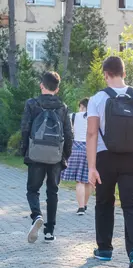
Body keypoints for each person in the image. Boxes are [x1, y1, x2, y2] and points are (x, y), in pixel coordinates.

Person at [86, 56, 133, 268]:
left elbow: (91, 134)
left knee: (104, 202)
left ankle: (104, 249)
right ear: (124, 73)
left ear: (105, 74)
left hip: (106, 157)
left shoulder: (98, 99)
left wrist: (92, 167)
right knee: (132, 206)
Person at [21, 71, 73, 243]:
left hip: (36, 154)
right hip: (55, 156)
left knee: (32, 190)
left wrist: (25, 151)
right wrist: (65, 155)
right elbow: (68, 133)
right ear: (57, 89)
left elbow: (25, 129)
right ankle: (49, 232)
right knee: (53, 192)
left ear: (41, 85)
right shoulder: (63, 107)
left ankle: (36, 216)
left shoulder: (32, 104)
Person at [61, 98, 92, 215]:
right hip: (90, 149)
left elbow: (68, 132)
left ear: (82, 106)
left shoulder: (73, 116)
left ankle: (80, 208)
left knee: (79, 181)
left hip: (76, 148)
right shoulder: (94, 117)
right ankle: (84, 204)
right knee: (89, 181)